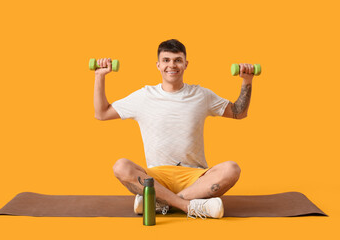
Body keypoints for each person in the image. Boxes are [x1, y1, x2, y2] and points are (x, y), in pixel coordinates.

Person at [93, 39, 255, 219]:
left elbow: (238, 112)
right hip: (157, 177)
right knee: (121, 166)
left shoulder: (201, 95)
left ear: (186, 64)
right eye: (166, 60)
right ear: (158, 65)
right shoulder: (144, 96)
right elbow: (102, 113)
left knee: (231, 169)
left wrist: (247, 80)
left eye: (177, 60)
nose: (172, 65)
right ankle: (189, 206)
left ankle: (159, 202)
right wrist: (100, 75)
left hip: (196, 178)